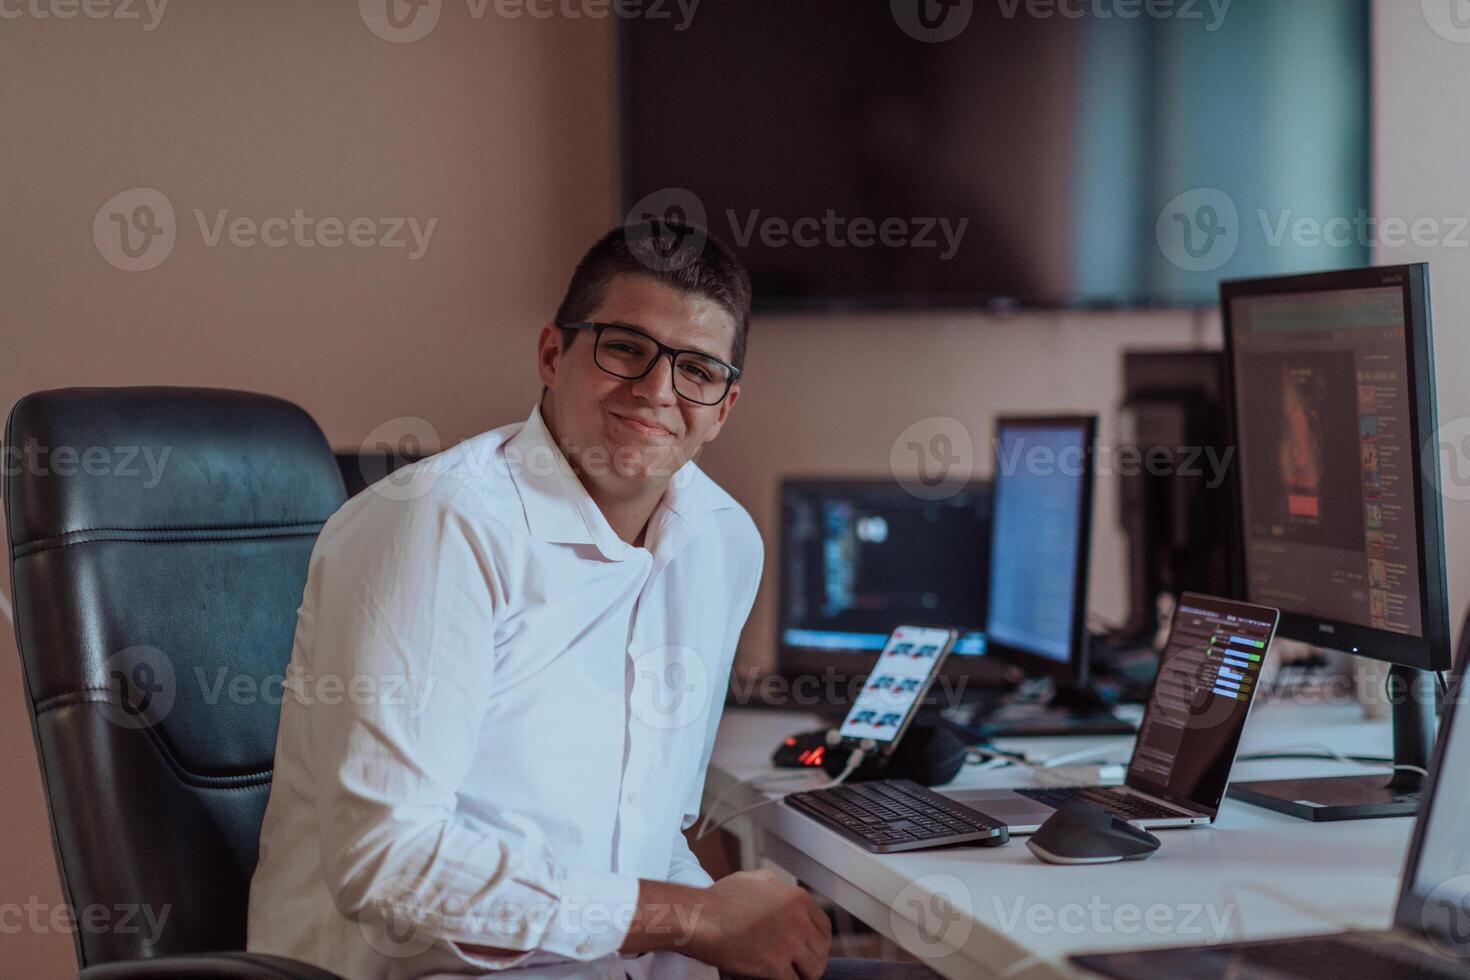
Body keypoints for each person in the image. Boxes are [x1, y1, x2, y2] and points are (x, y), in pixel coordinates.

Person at [246, 221, 837, 979]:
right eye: (625, 347)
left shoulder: (723, 544)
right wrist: (694, 918)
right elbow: (387, 864)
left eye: (697, 370)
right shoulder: (440, 524)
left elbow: (644, 836)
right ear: (553, 355)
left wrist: (741, 923)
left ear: (723, 407)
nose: (658, 390)